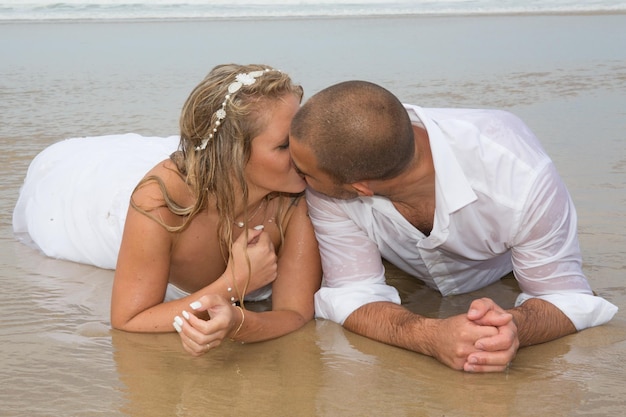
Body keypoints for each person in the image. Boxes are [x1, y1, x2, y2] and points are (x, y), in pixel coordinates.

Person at [288, 80, 618, 373]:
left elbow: (567, 296)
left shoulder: (518, 177)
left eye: (304, 172)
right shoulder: (334, 166)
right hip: (405, 270)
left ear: (361, 188)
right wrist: (430, 336)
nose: (297, 177)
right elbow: (353, 292)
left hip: (501, 271)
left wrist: (510, 328)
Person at [13, 64, 322, 355]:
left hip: (221, 178)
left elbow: (295, 314)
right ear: (233, 154)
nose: (304, 150)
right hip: (112, 212)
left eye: (303, 134)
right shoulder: (160, 202)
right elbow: (129, 319)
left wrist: (238, 323)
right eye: (284, 145)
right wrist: (234, 284)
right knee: (63, 194)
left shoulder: (296, 194)